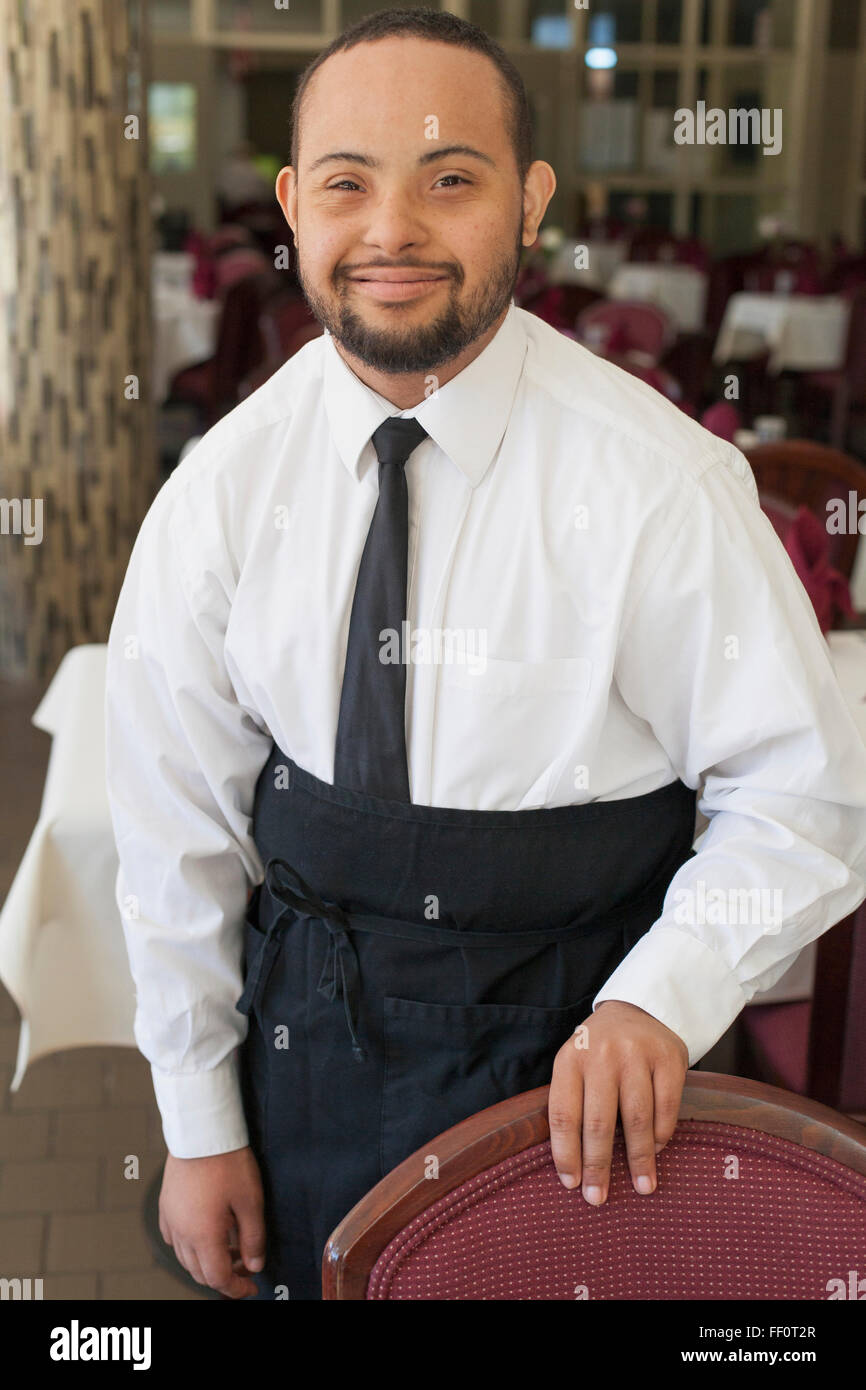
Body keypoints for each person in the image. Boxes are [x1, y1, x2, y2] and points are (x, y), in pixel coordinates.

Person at [105, 8, 866, 1302]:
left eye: (448, 178)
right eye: (348, 182)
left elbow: (799, 795)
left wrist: (656, 1002)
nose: (391, 228)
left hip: (595, 1079)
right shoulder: (224, 488)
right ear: (294, 206)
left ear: (528, 202)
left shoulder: (658, 483)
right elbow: (172, 823)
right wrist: (197, 1123)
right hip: (307, 1071)